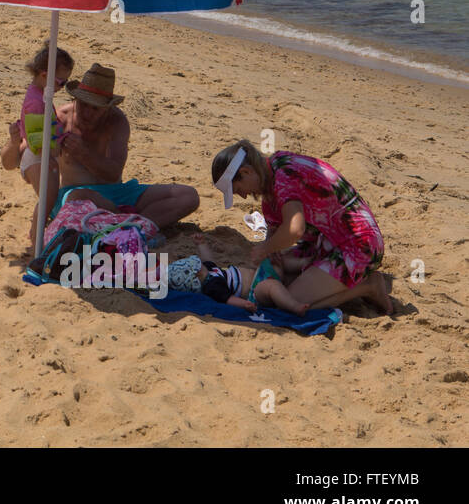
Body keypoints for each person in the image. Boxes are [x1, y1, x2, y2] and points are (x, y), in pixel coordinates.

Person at [210, 139, 390, 313]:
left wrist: (265, 248)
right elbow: (277, 229)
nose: (242, 196)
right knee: (280, 283)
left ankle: (368, 287)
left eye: (238, 189)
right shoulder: (274, 168)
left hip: (358, 244)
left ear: (246, 172)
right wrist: (271, 251)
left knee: (290, 302)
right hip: (328, 241)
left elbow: (295, 230)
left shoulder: (283, 179)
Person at [46, 63, 199, 228]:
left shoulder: (116, 121)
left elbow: (112, 174)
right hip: (76, 197)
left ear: (107, 108)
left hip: (117, 192)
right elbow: (25, 160)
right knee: (78, 196)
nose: (88, 113)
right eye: (83, 105)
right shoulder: (61, 119)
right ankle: (131, 223)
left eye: (95, 108)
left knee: (187, 196)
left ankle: (128, 225)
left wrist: (84, 153)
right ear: (75, 99)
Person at [167, 234, 309, 315]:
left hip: (259, 274)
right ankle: (294, 306)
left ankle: (307, 263)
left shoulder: (210, 270)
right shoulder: (212, 286)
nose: (201, 263)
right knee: (273, 286)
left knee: (277, 260)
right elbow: (228, 299)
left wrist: (201, 244)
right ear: (197, 273)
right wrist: (245, 304)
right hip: (255, 291)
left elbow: (208, 258)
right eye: (198, 264)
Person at [0, 41, 73, 186]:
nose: (62, 87)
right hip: (37, 161)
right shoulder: (36, 103)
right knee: (46, 204)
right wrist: (60, 148)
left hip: (37, 157)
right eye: (61, 83)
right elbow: (39, 146)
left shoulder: (40, 93)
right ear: (44, 75)